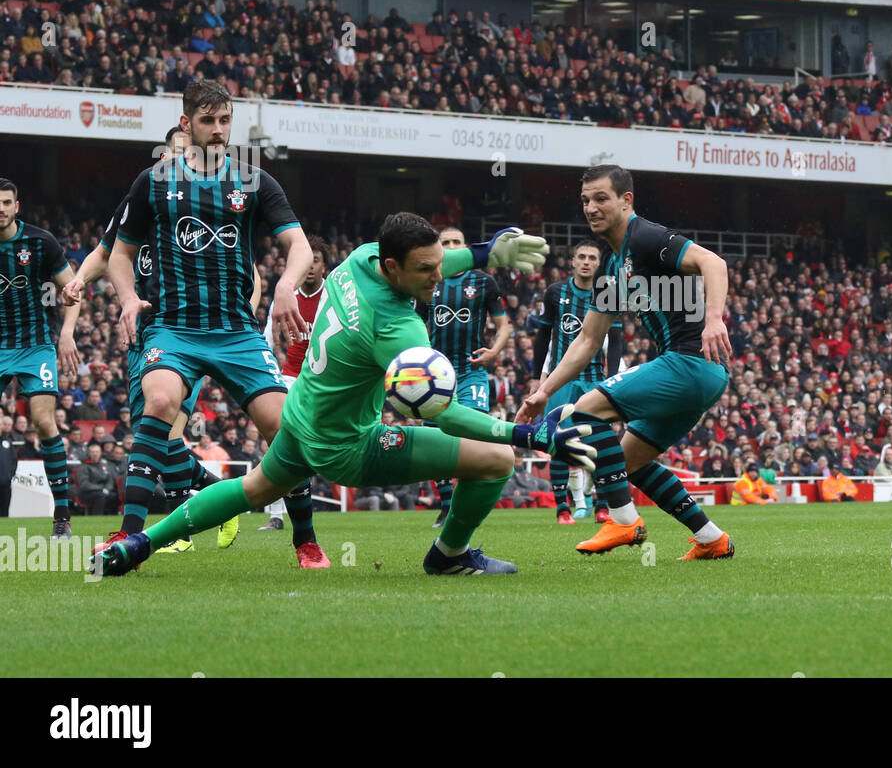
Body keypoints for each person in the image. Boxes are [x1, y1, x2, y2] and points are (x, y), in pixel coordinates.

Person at [97, 213, 588, 578]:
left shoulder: (360, 258)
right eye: (426, 272)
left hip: (301, 417)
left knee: (253, 490)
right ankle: (450, 555)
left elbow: (437, 258)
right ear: (394, 268)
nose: (439, 279)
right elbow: (446, 415)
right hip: (347, 448)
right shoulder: (400, 329)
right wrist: (527, 435)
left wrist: (484, 253)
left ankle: (138, 544)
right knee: (498, 460)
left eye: (439, 265)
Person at [103, 81, 323, 566]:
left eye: (225, 120)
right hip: (173, 329)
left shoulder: (255, 181)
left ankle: (306, 541)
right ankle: (126, 536)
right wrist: (127, 298)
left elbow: (300, 246)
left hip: (236, 332)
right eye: (208, 121)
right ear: (186, 124)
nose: (219, 130)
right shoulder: (154, 181)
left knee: (285, 427)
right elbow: (119, 253)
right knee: (159, 401)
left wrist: (286, 285)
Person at [518, 164, 735, 560]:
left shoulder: (646, 237)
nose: (591, 208)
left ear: (625, 200)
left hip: (689, 364)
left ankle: (623, 520)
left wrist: (715, 319)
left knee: (581, 413)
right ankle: (711, 539)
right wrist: (542, 391)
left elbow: (713, 263)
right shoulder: (614, 266)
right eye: (585, 200)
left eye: (601, 198)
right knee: (628, 460)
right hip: (697, 374)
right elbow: (587, 339)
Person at [62, 126, 248, 554]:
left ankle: (148, 534)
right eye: (172, 155)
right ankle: (218, 495)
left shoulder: (203, 211)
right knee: (158, 441)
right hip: (139, 337)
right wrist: (77, 282)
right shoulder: (140, 205)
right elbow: (104, 251)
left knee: (164, 431)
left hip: (181, 334)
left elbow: (245, 267)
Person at [420, 226, 512, 528]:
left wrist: (494, 351)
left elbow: (504, 325)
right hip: (433, 376)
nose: (450, 246)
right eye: (444, 243)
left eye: (456, 242)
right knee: (434, 439)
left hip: (471, 370)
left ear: (464, 247)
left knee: (474, 435)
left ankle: (466, 506)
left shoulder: (483, 281)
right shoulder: (426, 280)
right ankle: (446, 506)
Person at [0, 177, 76, 537]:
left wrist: (66, 334)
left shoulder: (40, 241)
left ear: (17, 206)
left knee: (43, 422)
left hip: (35, 346)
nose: (0, 209)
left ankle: (62, 518)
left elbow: (73, 289)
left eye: (6, 202)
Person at [532, 238, 624, 523]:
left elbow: (616, 340)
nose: (586, 262)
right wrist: (538, 379)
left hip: (594, 380)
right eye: (581, 257)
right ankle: (562, 509)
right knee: (557, 442)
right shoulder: (554, 292)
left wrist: (611, 384)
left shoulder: (608, 293)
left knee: (600, 443)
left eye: (592, 258)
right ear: (572, 261)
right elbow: (543, 337)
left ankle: (601, 506)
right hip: (561, 381)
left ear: (599, 264)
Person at [259, 234, 328, 531]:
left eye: (316, 260)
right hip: (290, 376)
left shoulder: (334, 296)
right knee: (279, 442)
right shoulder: (287, 296)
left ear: (325, 266)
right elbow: (267, 339)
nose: (310, 266)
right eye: (306, 260)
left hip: (325, 382)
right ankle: (276, 514)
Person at [75, 442, 119, 515]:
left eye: (97, 452)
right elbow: (84, 484)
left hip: (103, 491)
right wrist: (101, 489)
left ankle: (113, 518)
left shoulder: (104, 464)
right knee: (100, 496)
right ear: (89, 453)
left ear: (100, 453)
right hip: (87, 493)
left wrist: (107, 489)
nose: (95, 454)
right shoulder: (84, 466)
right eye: (93, 452)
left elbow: (110, 480)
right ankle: (97, 516)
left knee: (115, 496)